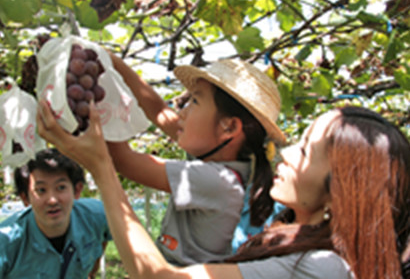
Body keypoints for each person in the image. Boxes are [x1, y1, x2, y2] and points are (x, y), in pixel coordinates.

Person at [37, 103, 410, 278]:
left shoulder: (322, 268)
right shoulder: (292, 237)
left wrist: (101, 167)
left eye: (307, 148)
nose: (287, 152)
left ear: (339, 191)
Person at [104, 57, 287, 265]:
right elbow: (159, 112)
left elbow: (123, 160)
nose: (182, 110)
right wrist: (114, 63)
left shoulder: (215, 181)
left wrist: (103, 98)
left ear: (229, 128)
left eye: (195, 101)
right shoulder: (220, 160)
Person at [0, 148, 112, 279]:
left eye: (61, 187)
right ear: (25, 198)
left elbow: (104, 236)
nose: (52, 200)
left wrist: (92, 272)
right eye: (41, 190)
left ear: (77, 190)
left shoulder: (97, 215)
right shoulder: (6, 242)